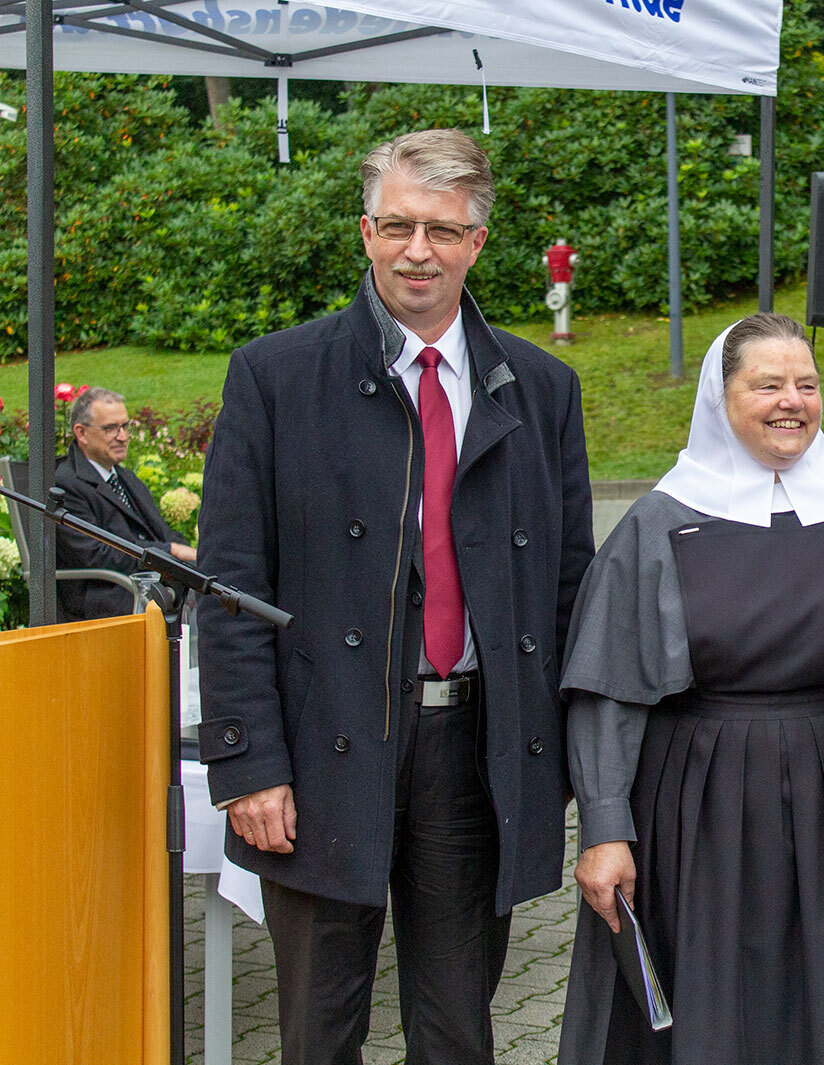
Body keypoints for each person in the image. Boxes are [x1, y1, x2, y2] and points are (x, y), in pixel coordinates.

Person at [196, 129, 594, 1065]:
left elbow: (573, 587)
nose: (421, 250)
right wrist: (248, 761)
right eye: (401, 226)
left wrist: (571, 765)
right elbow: (231, 589)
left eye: (445, 231)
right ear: (366, 232)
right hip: (324, 745)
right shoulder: (275, 377)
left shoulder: (542, 389)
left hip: (474, 750)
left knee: (459, 1029)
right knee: (319, 1030)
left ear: (478, 244)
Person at [557, 312, 824, 1065]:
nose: (793, 401)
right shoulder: (660, 523)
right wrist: (604, 826)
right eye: (769, 384)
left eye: (807, 384)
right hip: (700, 800)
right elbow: (607, 691)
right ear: (721, 399)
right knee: (713, 998)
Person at [53, 386, 195, 620]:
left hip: (145, 586)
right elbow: (97, 554)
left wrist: (187, 554)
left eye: (125, 426)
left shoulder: (125, 478)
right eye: (111, 428)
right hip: (106, 596)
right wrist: (168, 551)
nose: (123, 436)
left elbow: (162, 532)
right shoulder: (66, 483)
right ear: (81, 433)